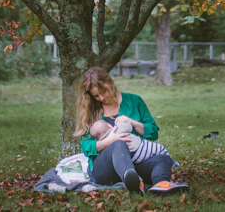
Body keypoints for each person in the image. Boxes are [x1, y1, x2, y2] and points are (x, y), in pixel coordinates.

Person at [75, 67, 188, 195]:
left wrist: (133, 123)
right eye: (96, 96)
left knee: (163, 158)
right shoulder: (91, 110)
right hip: (105, 169)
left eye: (103, 91)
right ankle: (131, 180)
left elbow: (153, 132)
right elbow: (85, 146)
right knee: (118, 143)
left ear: (110, 83)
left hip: (136, 164)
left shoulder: (134, 100)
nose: (101, 97)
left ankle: (160, 184)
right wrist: (109, 141)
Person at [89, 119, 170, 164]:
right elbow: (128, 127)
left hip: (133, 158)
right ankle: (171, 162)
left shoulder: (103, 144)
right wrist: (123, 122)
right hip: (140, 147)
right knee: (159, 149)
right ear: (109, 126)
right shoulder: (117, 129)